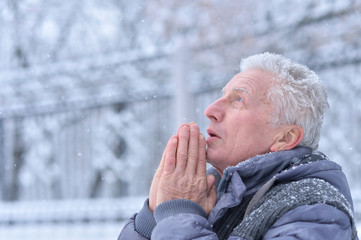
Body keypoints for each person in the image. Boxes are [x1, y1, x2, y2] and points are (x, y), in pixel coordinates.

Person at [118, 52, 359, 239]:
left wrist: (179, 215)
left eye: (239, 100)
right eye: (222, 96)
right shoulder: (211, 194)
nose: (210, 110)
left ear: (285, 138)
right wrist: (153, 218)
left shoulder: (315, 211)